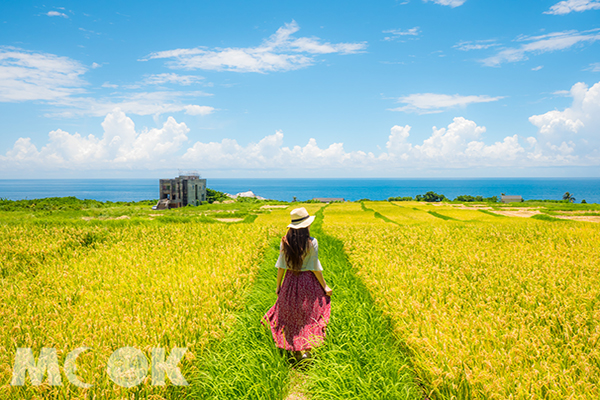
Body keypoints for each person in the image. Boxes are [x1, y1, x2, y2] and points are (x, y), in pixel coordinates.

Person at [263, 207, 332, 362]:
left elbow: (281, 266)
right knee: (310, 315)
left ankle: (295, 348)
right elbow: (314, 267)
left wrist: (278, 285)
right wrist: (325, 286)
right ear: (306, 226)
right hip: (308, 282)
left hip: (290, 281)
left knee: (291, 315)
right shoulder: (312, 242)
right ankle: (307, 349)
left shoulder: (284, 242)